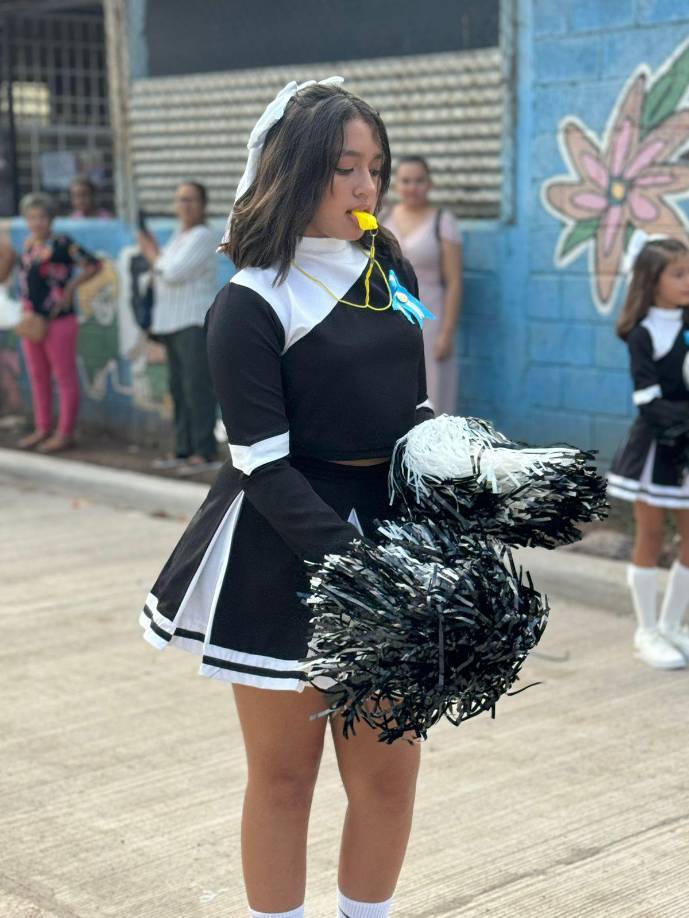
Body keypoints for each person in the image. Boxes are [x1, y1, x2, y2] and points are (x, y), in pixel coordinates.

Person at [139, 79, 434, 918]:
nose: (367, 187)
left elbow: (410, 408)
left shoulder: (391, 265)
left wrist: (458, 494)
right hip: (283, 548)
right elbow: (263, 467)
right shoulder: (249, 301)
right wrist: (366, 574)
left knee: (389, 770)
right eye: (344, 168)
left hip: (387, 535)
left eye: (373, 167)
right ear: (294, 172)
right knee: (284, 779)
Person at [607, 238, 689, 670]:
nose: (687, 281)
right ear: (652, 281)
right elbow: (649, 400)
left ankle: (675, 625)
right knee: (652, 535)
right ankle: (647, 631)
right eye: (678, 274)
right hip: (659, 448)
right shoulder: (642, 334)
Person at [138, 181, 219, 474]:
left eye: (191, 200)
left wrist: (151, 254)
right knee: (178, 389)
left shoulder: (203, 235)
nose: (185, 205)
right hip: (170, 322)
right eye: (181, 200)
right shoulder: (178, 236)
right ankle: (184, 449)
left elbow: (171, 273)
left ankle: (205, 451)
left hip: (192, 321)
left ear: (203, 204)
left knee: (196, 388)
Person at [14, 192, 101, 452]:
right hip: (32, 320)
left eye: (42, 217)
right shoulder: (30, 245)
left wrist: (72, 288)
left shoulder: (62, 243)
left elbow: (94, 265)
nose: (37, 222)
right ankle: (42, 428)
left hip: (58, 319)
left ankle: (65, 432)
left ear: (51, 219)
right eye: (32, 217)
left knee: (64, 377)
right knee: (38, 376)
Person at [381, 156, 463, 415]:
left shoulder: (442, 222)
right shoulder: (383, 219)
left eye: (419, 180)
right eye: (406, 181)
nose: (412, 187)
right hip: (387, 318)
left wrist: (446, 333)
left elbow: (454, 281)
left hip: (430, 322)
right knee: (389, 389)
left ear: (429, 184)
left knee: (432, 396)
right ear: (397, 185)